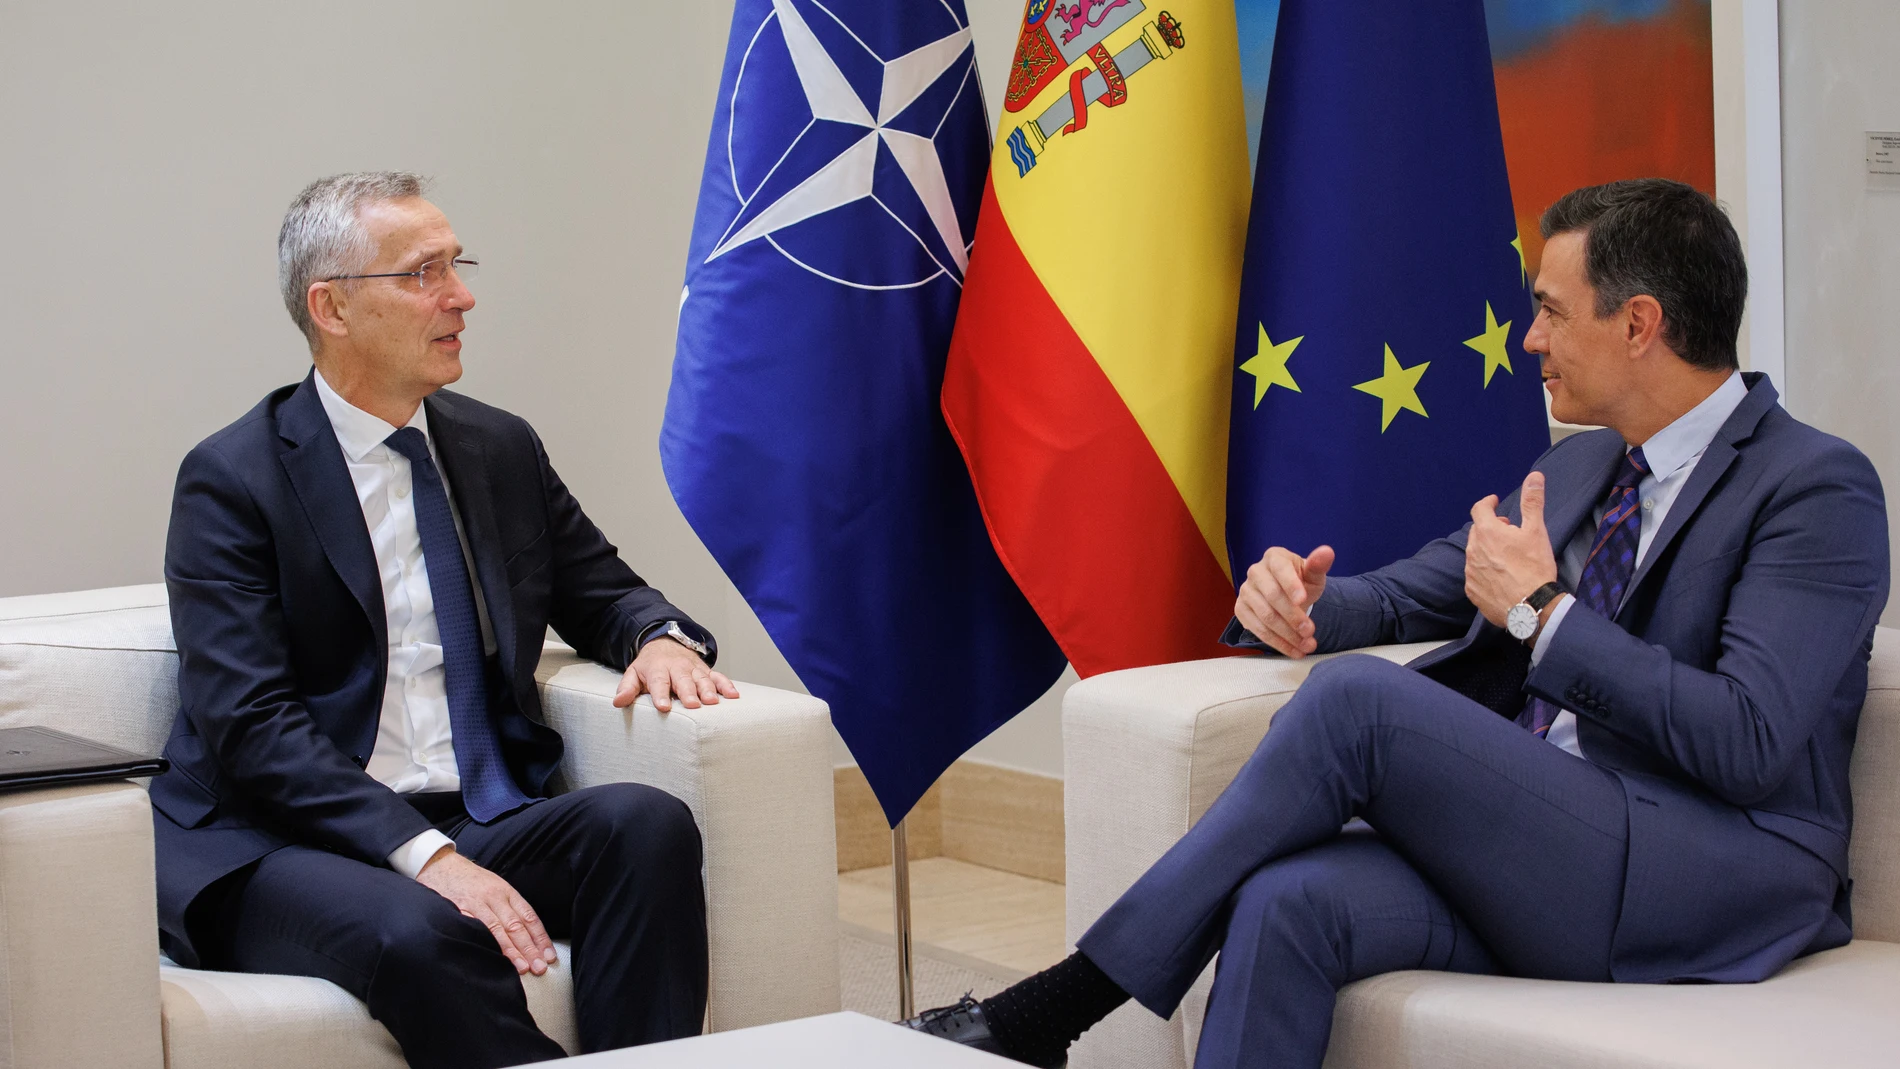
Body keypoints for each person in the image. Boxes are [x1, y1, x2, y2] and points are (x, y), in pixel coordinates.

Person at [905, 178, 1890, 1069]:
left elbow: (1748, 738)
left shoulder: (1814, 486)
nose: (1530, 339)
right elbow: (1415, 591)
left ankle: (1053, 1007)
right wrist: (1302, 605)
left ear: (1638, 323)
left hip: (1703, 875)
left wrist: (1542, 615)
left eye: (1550, 310)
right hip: (1544, 851)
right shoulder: (1586, 464)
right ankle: (1051, 1016)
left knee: (1359, 704)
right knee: (1287, 902)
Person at [152, 172, 739, 1068]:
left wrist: (658, 637)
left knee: (646, 825)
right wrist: (427, 857)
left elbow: (605, 591)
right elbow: (252, 725)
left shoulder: (497, 446)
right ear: (332, 307)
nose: (462, 296)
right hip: (279, 838)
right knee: (424, 932)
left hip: (476, 806)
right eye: (423, 273)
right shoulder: (232, 478)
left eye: (457, 266)